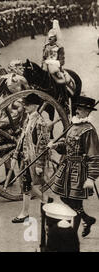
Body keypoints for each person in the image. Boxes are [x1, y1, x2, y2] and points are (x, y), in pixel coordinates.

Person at [48, 95, 99, 237]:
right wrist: (55, 146)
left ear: (88, 112)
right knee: (65, 198)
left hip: (79, 170)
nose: (77, 111)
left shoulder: (89, 131)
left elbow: (94, 156)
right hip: (68, 167)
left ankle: (72, 236)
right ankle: (87, 219)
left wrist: (91, 178)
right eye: (77, 108)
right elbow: (67, 147)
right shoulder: (73, 126)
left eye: (81, 109)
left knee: (75, 202)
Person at [11, 93, 52, 223]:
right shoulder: (28, 119)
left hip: (34, 159)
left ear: (35, 106)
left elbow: (42, 145)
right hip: (25, 156)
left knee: (31, 184)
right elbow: (21, 139)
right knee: (25, 184)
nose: (25, 107)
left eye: (27, 105)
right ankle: (29, 209)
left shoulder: (40, 122)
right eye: (25, 104)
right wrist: (15, 155)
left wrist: (39, 165)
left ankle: (38, 205)